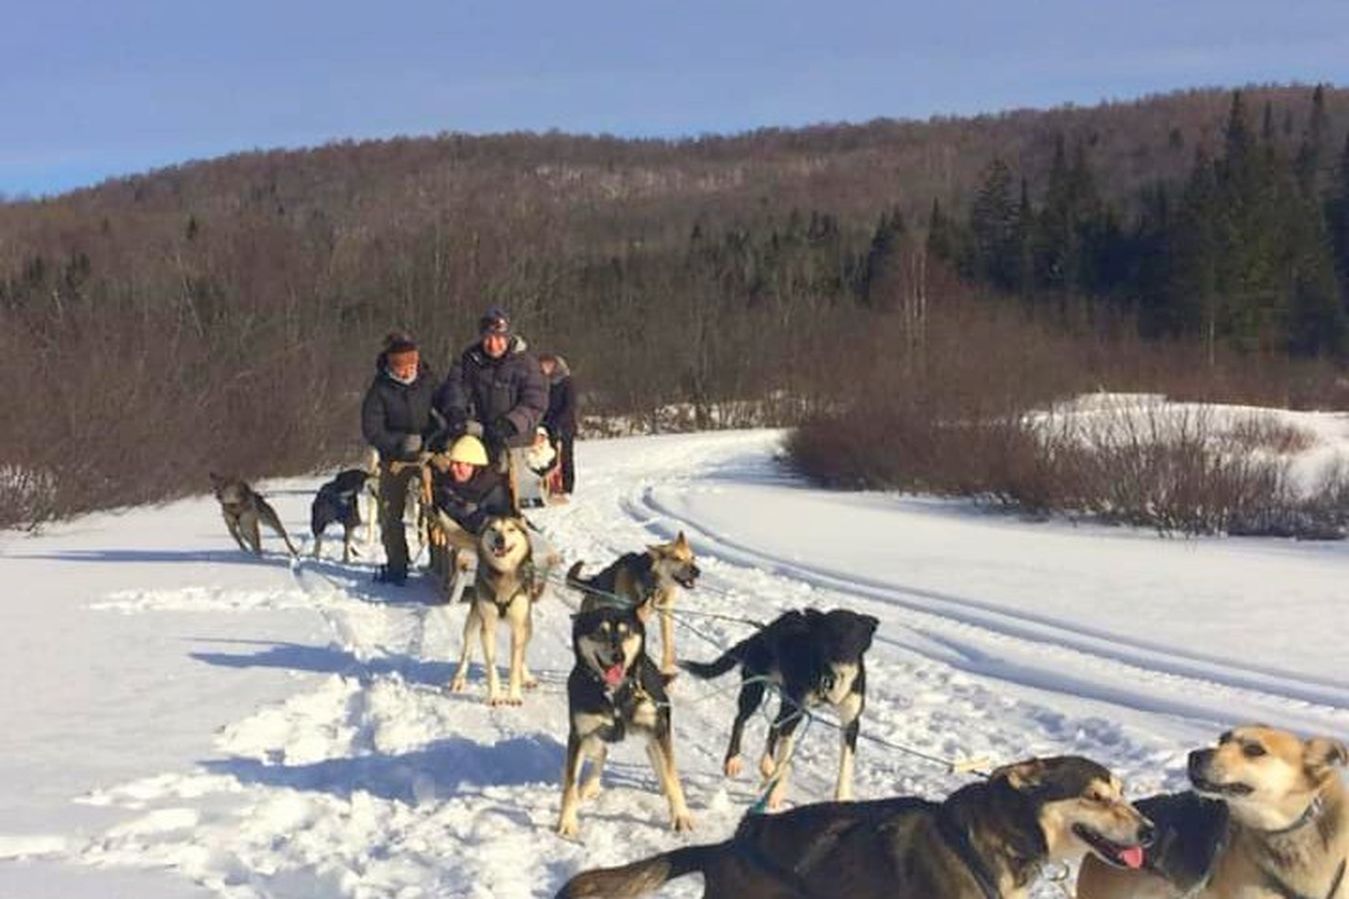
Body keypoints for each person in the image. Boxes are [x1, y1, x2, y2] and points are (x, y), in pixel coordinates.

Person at [360, 332, 438, 585]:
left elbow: (445, 411)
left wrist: (435, 439)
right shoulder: (380, 388)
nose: (406, 372)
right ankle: (397, 564)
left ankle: (441, 559)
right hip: (395, 458)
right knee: (389, 512)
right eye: (401, 368)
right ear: (391, 365)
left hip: (428, 452)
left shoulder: (428, 381)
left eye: (411, 366)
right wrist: (398, 443)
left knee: (438, 507)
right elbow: (372, 428)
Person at [434, 306, 548, 464]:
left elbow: (535, 403)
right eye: (488, 338)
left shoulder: (526, 364)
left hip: (516, 444)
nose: (494, 345)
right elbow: (456, 387)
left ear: (508, 337)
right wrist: (455, 411)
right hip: (478, 440)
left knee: (512, 483)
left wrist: (510, 424)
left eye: (499, 338)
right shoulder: (469, 359)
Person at [432, 435, 512, 536]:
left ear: (472, 466)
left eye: (458, 464)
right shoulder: (446, 483)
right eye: (452, 463)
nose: (453, 468)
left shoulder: (492, 488)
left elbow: (500, 523)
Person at [539, 353, 577, 496]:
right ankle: (550, 485)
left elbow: (569, 406)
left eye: (548, 365)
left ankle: (567, 487)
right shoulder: (541, 382)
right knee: (547, 457)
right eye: (543, 365)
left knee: (565, 456)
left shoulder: (566, 381)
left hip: (564, 426)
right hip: (547, 426)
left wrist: (558, 422)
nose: (545, 368)